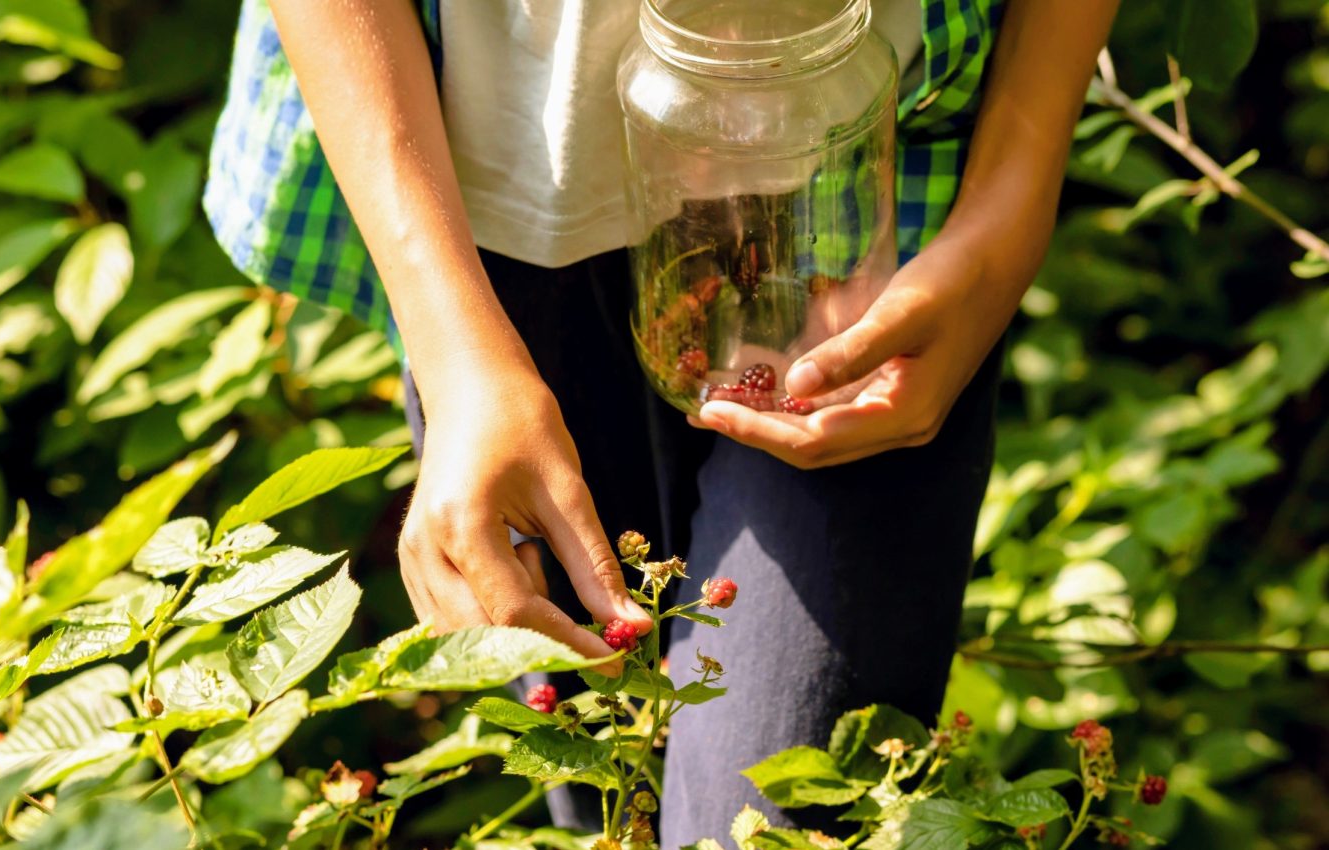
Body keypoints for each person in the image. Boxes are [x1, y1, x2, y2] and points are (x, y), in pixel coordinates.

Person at [205, 0, 1119, 840]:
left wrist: (1013, 199)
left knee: (781, 805)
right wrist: (453, 351)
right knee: (603, 782)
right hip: (492, 208)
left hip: (871, 215)